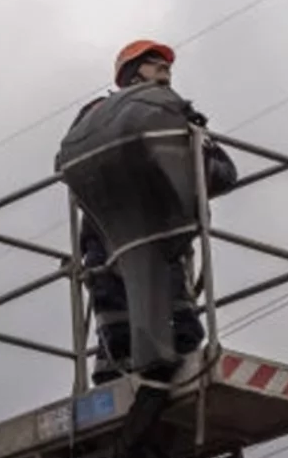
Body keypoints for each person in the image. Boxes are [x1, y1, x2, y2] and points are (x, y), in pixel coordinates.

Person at [74, 40, 238, 383]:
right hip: (108, 241)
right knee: (118, 331)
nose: (165, 69)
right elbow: (74, 163)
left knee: (177, 327)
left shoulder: (178, 123)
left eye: (168, 66)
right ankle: (120, 380)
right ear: (131, 73)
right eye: (153, 63)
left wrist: (194, 146)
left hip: (163, 239)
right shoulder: (96, 117)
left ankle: (160, 378)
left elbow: (222, 174)